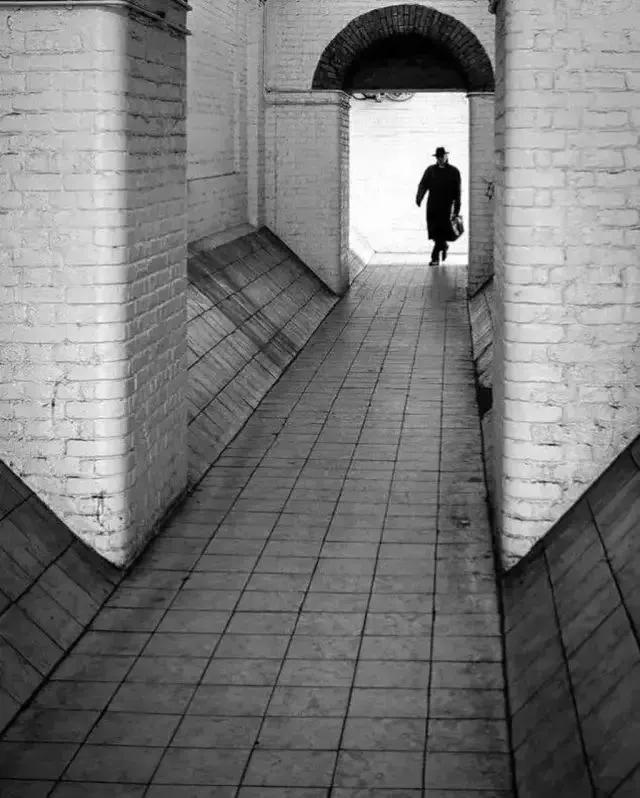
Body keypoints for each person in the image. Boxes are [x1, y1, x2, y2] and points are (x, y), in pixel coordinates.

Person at [415, 146, 462, 266]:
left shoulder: (454, 171)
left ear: (446, 156)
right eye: (438, 157)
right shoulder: (430, 170)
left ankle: (435, 257)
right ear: (436, 158)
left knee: (442, 231)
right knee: (434, 231)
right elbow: (423, 184)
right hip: (432, 206)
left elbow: (457, 192)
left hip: (447, 207)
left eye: (442, 156)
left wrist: (457, 209)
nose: (440, 159)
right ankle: (444, 246)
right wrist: (419, 197)